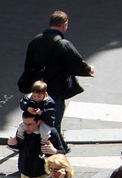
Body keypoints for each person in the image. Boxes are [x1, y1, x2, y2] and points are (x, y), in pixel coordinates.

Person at [20, 10, 94, 152]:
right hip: (55, 90)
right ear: (64, 24)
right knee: (53, 123)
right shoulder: (63, 44)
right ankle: (58, 150)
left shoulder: (35, 41)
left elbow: (28, 65)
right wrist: (89, 69)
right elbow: (77, 64)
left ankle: (39, 149)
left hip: (36, 91)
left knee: (36, 124)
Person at [8, 111, 62, 178]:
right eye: (24, 123)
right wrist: (13, 143)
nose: (26, 127)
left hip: (43, 175)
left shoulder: (51, 133)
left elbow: (62, 153)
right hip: (26, 175)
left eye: (30, 124)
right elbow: (20, 146)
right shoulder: (22, 130)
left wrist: (54, 151)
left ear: (38, 122)